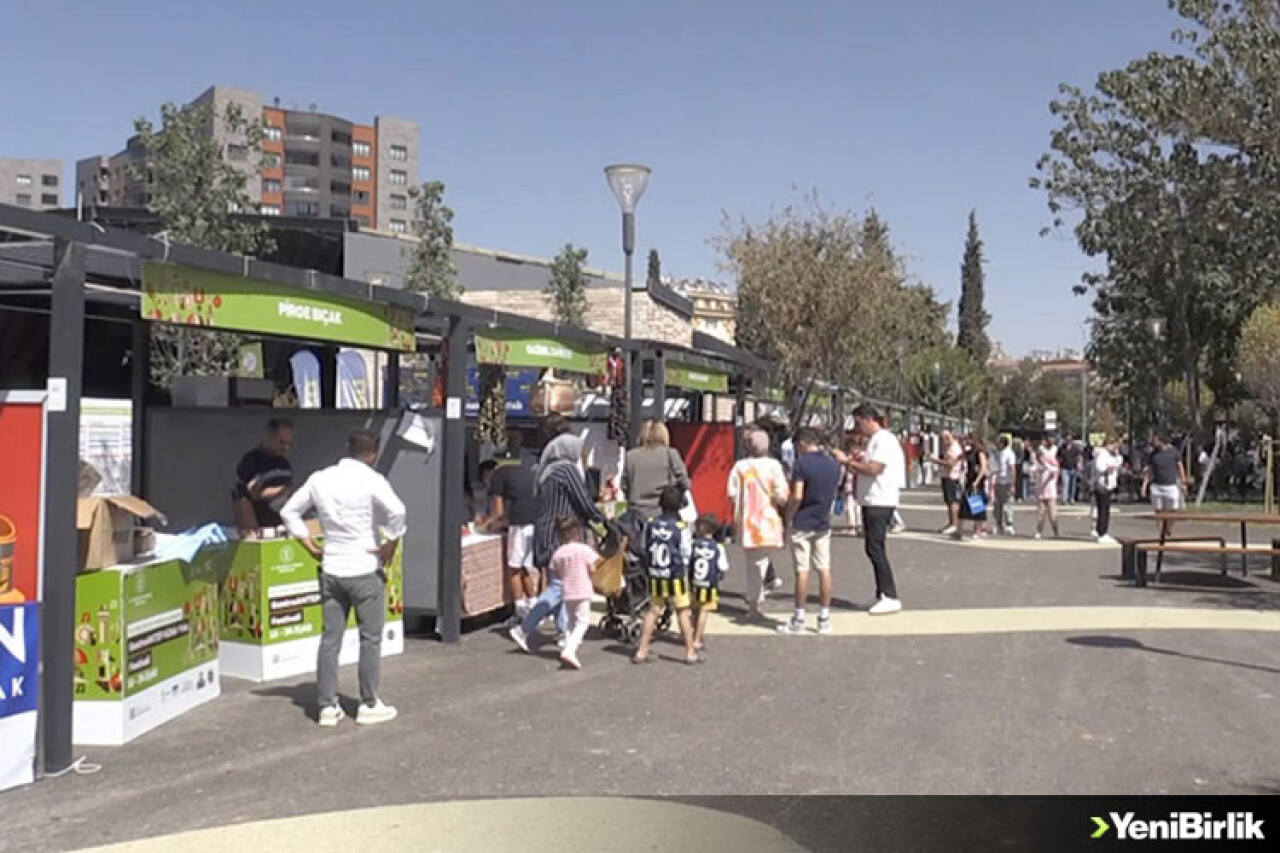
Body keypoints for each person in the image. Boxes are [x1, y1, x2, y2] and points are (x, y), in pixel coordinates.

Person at [281, 429, 405, 727]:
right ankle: (369, 703)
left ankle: (327, 706)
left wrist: (308, 543)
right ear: (372, 454)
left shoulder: (320, 478)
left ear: (347, 448)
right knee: (370, 639)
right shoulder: (372, 480)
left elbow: (289, 512)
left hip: (332, 565)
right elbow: (398, 511)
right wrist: (391, 541)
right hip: (363, 565)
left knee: (330, 639)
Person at [509, 432, 604, 653]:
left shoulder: (545, 470)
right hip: (559, 534)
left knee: (560, 581)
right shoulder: (566, 470)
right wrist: (601, 519)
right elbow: (582, 500)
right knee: (561, 586)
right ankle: (525, 627)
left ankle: (563, 633)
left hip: (544, 532)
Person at [836, 404, 905, 615]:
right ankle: (882, 593)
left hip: (880, 499)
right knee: (873, 547)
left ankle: (889, 595)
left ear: (868, 419)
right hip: (872, 499)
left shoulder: (883, 440)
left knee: (875, 547)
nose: (858, 428)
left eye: (858, 423)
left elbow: (874, 469)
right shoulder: (877, 440)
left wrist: (847, 461)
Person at [776, 428, 841, 635]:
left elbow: (797, 495)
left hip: (803, 521)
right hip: (823, 521)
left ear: (802, 443)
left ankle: (799, 617)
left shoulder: (802, 464)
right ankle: (824, 618)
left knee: (802, 570)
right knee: (824, 568)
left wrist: (787, 516)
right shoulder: (833, 464)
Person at [727, 427, 790, 621]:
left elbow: (731, 493)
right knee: (761, 561)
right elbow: (781, 495)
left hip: (747, 521)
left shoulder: (740, 467)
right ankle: (757, 598)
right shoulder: (774, 466)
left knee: (753, 563)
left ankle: (754, 602)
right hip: (768, 520)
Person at [633, 485, 700, 665]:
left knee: (653, 610)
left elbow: (643, 546)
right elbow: (686, 552)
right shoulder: (680, 527)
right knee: (683, 611)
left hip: (656, 573)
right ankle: (690, 651)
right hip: (675, 574)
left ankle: (642, 650)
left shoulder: (651, 523)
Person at [476, 455, 539, 618]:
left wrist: (483, 526)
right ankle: (533, 603)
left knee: (513, 568)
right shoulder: (518, 472)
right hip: (534, 521)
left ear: (486, 476)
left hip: (520, 524)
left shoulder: (497, 477)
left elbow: (498, 511)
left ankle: (520, 609)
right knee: (525, 567)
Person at [547, 515, 599, 670]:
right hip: (582, 589)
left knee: (570, 621)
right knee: (582, 622)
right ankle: (570, 650)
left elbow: (554, 570)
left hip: (567, 590)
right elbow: (594, 567)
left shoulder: (558, 553)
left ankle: (567, 647)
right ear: (577, 533)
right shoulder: (584, 550)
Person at [233, 419, 295, 536]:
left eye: (289, 444)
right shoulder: (251, 461)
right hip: (258, 527)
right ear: (268, 437)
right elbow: (253, 494)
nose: (286, 448)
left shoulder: (284, 464)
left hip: (282, 524)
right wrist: (282, 490)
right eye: (281, 442)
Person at [622, 420, 691, 521]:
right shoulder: (670, 454)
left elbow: (624, 485)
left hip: (637, 513)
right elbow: (685, 483)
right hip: (663, 512)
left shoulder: (631, 456)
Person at [688, 513, 729, 654]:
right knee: (704, 611)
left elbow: (688, 561)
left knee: (694, 610)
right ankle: (698, 638)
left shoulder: (693, 545)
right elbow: (723, 567)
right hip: (709, 584)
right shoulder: (718, 547)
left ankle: (691, 632)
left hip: (694, 583)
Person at [1142, 432, 1187, 514]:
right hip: (1157, 486)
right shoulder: (1153, 454)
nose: (1154, 442)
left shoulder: (1174, 452)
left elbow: (1180, 467)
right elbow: (1149, 471)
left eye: (1156, 440)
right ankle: (1161, 527)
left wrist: (1183, 482)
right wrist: (1144, 486)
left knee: (1173, 510)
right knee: (1158, 511)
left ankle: (1167, 527)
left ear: (1162, 441)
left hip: (1171, 485)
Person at [933, 431, 964, 536]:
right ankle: (951, 523)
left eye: (947, 438)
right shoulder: (949, 448)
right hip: (946, 476)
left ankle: (954, 524)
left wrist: (935, 460)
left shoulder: (954, 449)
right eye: (943, 438)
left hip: (952, 477)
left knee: (952, 502)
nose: (944, 441)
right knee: (948, 501)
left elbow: (950, 464)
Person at [1091, 435, 1122, 545]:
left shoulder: (1112, 454)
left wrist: (1116, 458)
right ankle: (1101, 532)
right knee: (1102, 509)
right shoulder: (1102, 454)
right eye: (1114, 445)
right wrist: (1111, 465)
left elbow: (1119, 462)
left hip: (1109, 484)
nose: (1115, 447)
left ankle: (1103, 531)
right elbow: (1101, 467)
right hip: (1103, 484)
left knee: (1105, 509)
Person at [959, 433, 989, 539]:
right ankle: (960, 530)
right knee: (964, 505)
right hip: (969, 480)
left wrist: (977, 481)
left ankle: (978, 529)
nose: (967, 441)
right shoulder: (968, 452)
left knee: (976, 505)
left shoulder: (979, 452)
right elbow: (959, 459)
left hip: (976, 482)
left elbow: (983, 467)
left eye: (969, 439)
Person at [1034, 437, 1061, 540]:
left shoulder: (1053, 463)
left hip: (1051, 489)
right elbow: (1036, 469)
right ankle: (1039, 531)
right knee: (1041, 513)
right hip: (1041, 490)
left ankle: (1056, 531)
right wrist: (1041, 465)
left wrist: (1047, 465)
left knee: (1052, 512)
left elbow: (1054, 470)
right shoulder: (1039, 465)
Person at [993, 435, 1017, 536]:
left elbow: (1012, 469)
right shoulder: (999, 453)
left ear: (1003, 443)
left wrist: (1012, 484)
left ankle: (1009, 524)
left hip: (1006, 482)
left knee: (1007, 504)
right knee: (997, 504)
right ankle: (999, 524)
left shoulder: (1009, 454)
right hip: (999, 481)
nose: (997, 445)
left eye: (998, 443)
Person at [1060, 434, 1081, 506]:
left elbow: (1079, 456)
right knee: (1065, 484)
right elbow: (1058, 456)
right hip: (1064, 468)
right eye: (1067, 440)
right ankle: (1064, 499)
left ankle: (1071, 498)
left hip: (1073, 468)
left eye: (1070, 440)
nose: (1068, 441)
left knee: (1072, 485)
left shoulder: (1075, 448)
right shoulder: (1062, 448)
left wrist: (1079, 464)